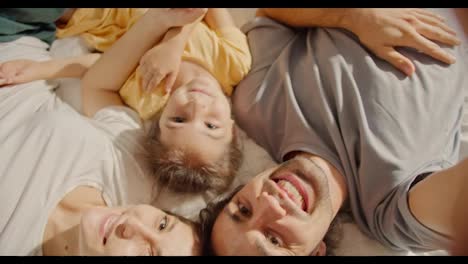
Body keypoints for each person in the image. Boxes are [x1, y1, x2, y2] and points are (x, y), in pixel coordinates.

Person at [197, 8, 468, 256]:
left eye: (244, 209)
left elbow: (270, 12)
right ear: (316, 252)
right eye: (274, 239)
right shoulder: (391, 211)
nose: (270, 203)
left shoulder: (256, 105)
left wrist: (354, 17)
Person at [0, 8, 206, 256]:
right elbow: (99, 86)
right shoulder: (133, 174)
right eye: (162, 224)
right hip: (14, 35)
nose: (133, 225)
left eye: (147, 255)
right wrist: (161, 20)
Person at [0, 8, 249, 195]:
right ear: (233, 130)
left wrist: (40, 70)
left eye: (179, 119)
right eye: (211, 126)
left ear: (160, 123)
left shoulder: (147, 96)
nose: (196, 106)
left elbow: (103, 64)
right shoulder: (234, 63)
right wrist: (174, 42)